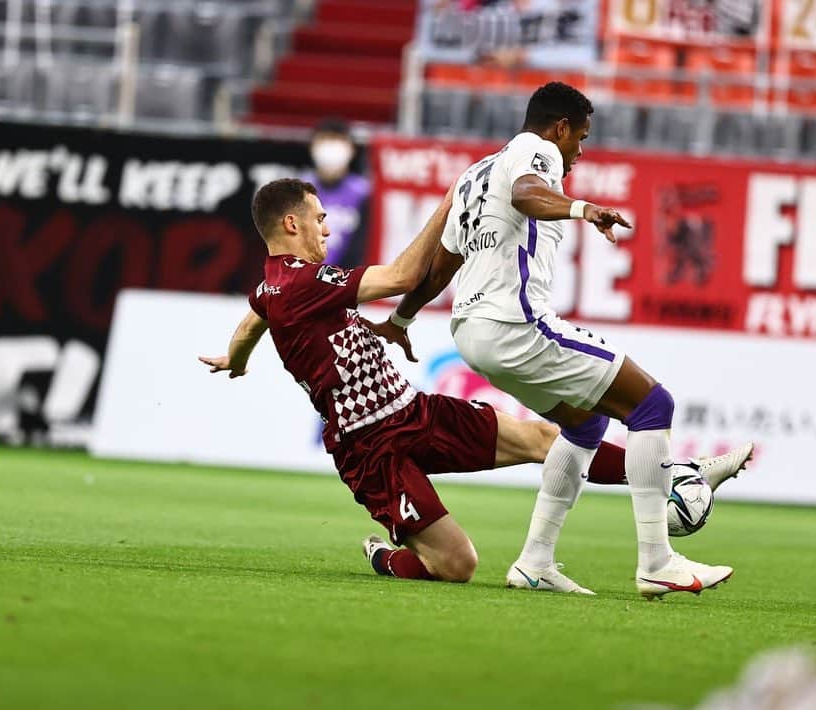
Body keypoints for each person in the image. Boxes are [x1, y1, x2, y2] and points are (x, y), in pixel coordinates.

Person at [200, 177, 751, 587]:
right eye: (319, 218)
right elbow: (402, 277)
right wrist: (452, 200)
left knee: (546, 440)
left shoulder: (274, 288)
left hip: (413, 411)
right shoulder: (301, 283)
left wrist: (237, 357)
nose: (326, 226)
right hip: (369, 447)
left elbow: (255, 317)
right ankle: (385, 555)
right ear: (291, 225)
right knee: (457, 566)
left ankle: (677, 474)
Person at [370, 81, 736, 599]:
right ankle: (658, 561)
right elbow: (526, 194)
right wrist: (586, 209)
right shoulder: (535, 152)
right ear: (559, 128)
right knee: (653, 402)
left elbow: (438, 268)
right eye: (579, 139)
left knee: (584, 423)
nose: (578, 153)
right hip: (516, 324)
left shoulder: (474, 176)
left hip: (473, 332)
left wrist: (401, 321)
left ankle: (536, 561)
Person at [305, 118, 370, 269]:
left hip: (347, 282)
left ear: (351, 149)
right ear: (312, 146)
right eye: (325, 140)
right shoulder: (296, 191)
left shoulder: (364, 193)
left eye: (337, 140)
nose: (331, 148)